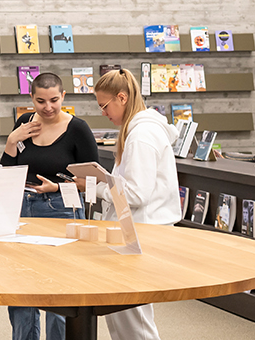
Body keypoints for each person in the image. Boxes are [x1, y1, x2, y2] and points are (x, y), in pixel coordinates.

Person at [0, 73, 99, 340]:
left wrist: (57, 187)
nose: (48, 107)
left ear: (63, 96)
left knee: (59, 288)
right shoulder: (24, 123)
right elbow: (7, 171)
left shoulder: (78, 129)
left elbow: (92, 182)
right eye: (41, 101)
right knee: (22, 286)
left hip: (61, 209)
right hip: (24, 209)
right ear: (31, 98)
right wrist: (11, 140)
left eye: (54, 100)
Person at [88, 68, 181, 340]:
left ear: (122, 98)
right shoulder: (135, 131)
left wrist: (99, 187)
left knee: (134, 320)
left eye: (105, 106)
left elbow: (137, 194)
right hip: (134, 231)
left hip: (142, 232)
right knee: (121, 315)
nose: (103, 113)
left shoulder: (142, 135)